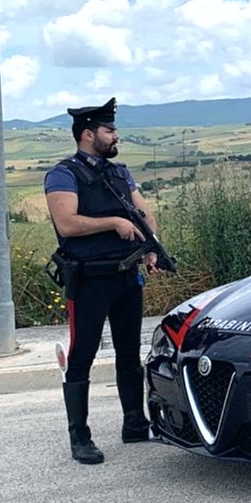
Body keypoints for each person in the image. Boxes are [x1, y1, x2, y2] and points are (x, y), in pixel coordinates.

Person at [44, 98, 160, 464]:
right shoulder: (64, 174)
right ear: (88, 134)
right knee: (82, 357)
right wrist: (113, 223)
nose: (116, 136)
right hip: (90, 281)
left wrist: (151, 246)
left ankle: (135, 425)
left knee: (130, 355)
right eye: (109, 131)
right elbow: (67, 223)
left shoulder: (120, 173)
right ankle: (80, 438)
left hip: (126, 278)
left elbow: (144, 212)